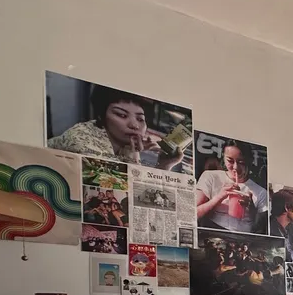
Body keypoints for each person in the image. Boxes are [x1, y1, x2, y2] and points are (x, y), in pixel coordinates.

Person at [49, 84, 183, 170]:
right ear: (101, 116)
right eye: (121, 115)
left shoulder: (124, 142)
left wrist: (164, 164)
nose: (134, 125)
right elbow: (121, 193)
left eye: (140, 119)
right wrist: (132, 156)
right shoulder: (82, 140)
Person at [196, 142, 268, 234]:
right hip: (213, 232)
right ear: (223, 158)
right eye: (230, 161)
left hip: (242, 237)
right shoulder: (211, 177)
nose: (235, 167)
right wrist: (219, 197)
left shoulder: (261, 192)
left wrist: (251, 209)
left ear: (250, 161)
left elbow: (260, 229)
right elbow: (194, 214)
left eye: (241, 162)